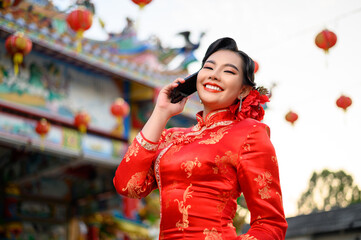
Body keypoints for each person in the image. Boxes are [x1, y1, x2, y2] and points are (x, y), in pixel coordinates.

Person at [113, 37, 288, 239]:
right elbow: (126, 185)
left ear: (244, 90)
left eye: (229, 71)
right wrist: (161, 112)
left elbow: (270, 224)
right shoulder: (171, 137)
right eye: (208, 67)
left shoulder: (250, 132)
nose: (214, 75)